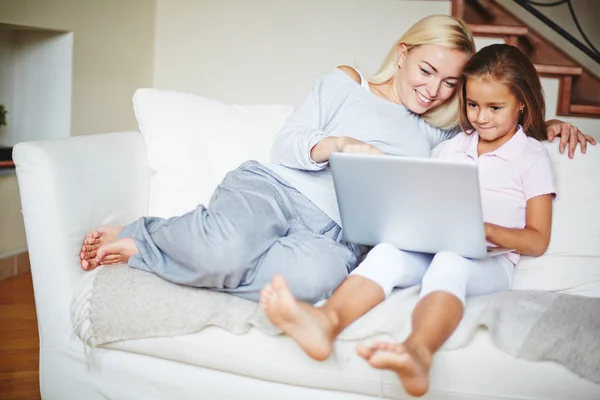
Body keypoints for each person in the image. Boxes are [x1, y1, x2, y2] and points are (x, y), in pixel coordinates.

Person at [79, 15, 592, 305]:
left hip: (337, 238)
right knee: (226, 249)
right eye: (427, 70)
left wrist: (547, 128)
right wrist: (338, 145)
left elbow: (494, 122)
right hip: (275, 190)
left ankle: (195, 253)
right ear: (405, 52)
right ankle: (146, 237)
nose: (433, 90)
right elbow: (288, 142)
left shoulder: (437, 134)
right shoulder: (349, 83)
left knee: (309, 285)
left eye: (449, 84)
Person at [259, 43, 560, 397]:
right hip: (438, 244)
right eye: (472, 104)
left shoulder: (531, 156)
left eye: (496, 108)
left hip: (491, 261)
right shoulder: (453, 147)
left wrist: (485, 231)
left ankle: (417, 352)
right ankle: (326, 323)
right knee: (386, 251)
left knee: (451, 261)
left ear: (521, 102)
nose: (481, 117)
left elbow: (537, 240)